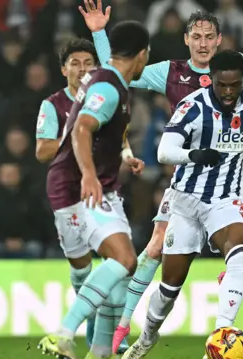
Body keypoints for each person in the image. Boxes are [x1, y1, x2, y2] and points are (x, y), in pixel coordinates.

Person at [79, 0, 243, 351]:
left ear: (219, 39)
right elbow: (119, 71)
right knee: (160, 253)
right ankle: (133, 328)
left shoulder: (239, 69)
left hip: (232, 178)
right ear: (186, 40)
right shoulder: (172, 73)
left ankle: (220, 331)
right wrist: (99, 32)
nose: (203, 43)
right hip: (187, 180)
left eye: (209, 36)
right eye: (196, 37)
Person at [122, 49, 243, 359]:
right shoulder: (192, 106)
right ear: (212, 79)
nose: (227, 92)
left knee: (240, 255)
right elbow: (164, 152)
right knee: (170, 285)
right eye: (221, 85)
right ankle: (147, 337)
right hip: (186, 201)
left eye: (234, 85)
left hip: (227, 198)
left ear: (242, 82)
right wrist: (192, 155)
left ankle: (221, 336)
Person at [36, 20, 150, 359]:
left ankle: (99, 349)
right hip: (80, 187)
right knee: (120, 260)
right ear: (142, 55)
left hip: (93, 184)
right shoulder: (108, 86)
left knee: (118, 268)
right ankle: (65, 333)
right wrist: (88, 174)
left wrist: (125, 156)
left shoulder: (104, 85)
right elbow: (83, 129)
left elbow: (108, 131)